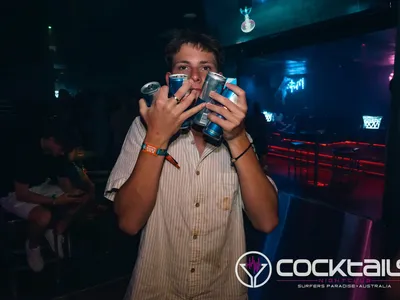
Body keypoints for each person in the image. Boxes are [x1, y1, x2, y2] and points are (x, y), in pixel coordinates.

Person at [104, 30, 279, 299]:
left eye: (205, 68)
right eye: (184, 67)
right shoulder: (144, 130)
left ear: (219, 80)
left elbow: (266, 221)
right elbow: (129, 222)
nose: (195, 77)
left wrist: (237, 137)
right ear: (169, 79)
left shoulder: (239, 136)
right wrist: (157, 137)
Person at [0, 120, 90, 272]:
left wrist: (71, 194)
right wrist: (56, 201)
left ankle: (57, 231)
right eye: (61, 148)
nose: (62, 152)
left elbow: (62, 179)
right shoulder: (24, 150)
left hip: (41, 186)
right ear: (51, 139)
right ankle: (32, 246)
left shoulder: (57, 152)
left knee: (83, 197)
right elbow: (22, 194)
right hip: (13, 192)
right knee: (43, 216)